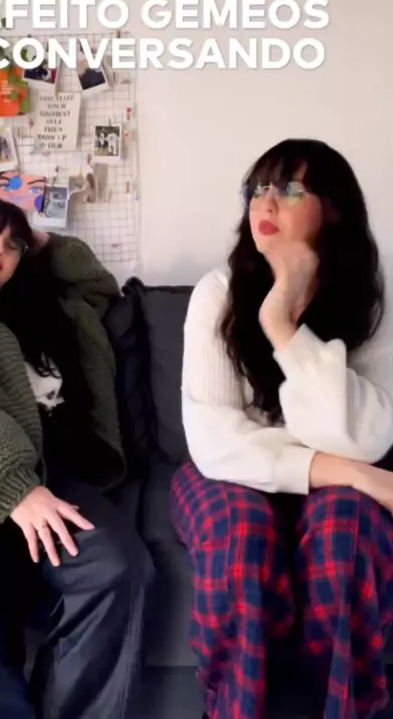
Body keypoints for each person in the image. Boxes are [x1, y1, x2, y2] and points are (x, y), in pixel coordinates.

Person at [171, 138, 393, 719]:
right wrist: (344, 471)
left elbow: (366, 439)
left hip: (329, 480)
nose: (265, 202)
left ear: (334, 209)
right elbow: (215, 439)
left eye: (290, 189)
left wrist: (283, 325)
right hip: (230, 473)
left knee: (346, 531)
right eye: (258, 188)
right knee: (239, 535)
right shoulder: (217, 293)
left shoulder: (371, 300)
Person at [0, 196, 153, 719]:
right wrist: (15, 488)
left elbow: (98, 286)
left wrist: (38, 238)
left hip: (55, 470)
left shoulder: (51, 310)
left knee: (118, 566)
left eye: (11, 243)